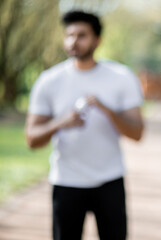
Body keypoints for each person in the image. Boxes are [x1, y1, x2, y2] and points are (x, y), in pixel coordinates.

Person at [25, 10, 144, 240]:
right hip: (66, 180)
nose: (73, 41)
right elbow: (32, 138)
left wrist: (107, 109)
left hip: (110, 180)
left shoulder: (121, 77)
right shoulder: (49, 81)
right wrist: (61, 123)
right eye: (69, 35)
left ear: (97, 40)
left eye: (82, 35)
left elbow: (138, 133)